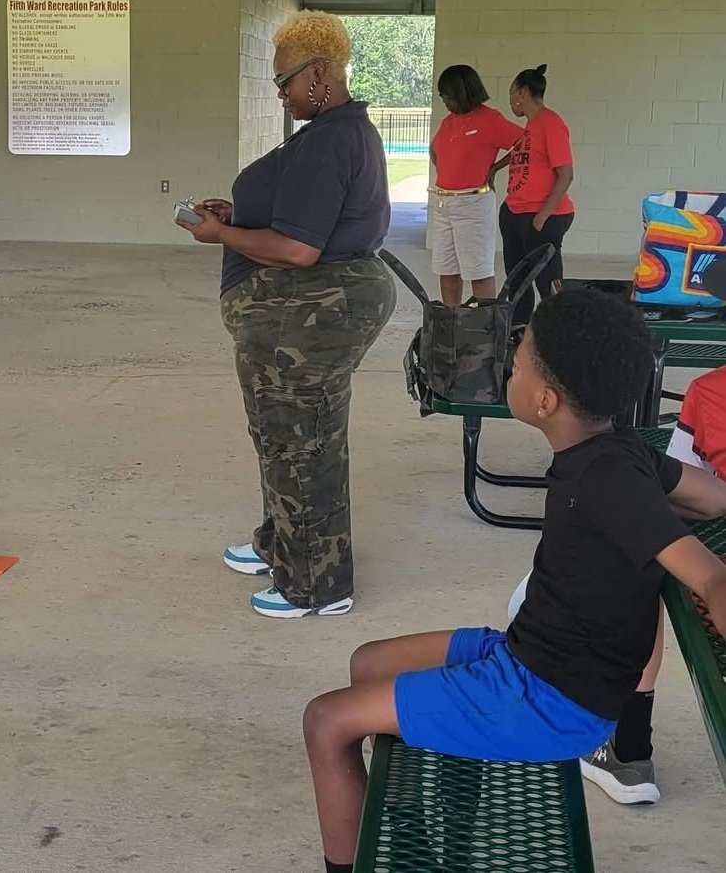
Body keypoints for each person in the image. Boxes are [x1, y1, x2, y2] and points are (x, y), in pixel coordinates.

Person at [302, 289, 726, 873]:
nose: (510, 368)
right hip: (532, 655)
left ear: (545, 400)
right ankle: (420, 845)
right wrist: (653, 521)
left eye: (519, 361)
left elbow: (709, 577)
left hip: (549, 700)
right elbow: (713, 501)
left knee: (326, 720)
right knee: (370, 662)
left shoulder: (608, 482)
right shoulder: (620, 451)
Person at [175, 10, 396, 619]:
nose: (281, 93)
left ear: (320, 72)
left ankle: (317, 586)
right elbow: (296, 220)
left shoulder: (329, 138)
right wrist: (239, 215)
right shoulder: (335, 131)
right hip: (304, 314)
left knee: (301, 444)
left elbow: (299, 249)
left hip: (310, 316)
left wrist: (220, 235)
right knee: (284, 436)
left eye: (286, 81)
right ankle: (281, 544)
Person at [578, 363, 726, 804]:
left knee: (639, 541)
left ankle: (629, 746)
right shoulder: (709, 391)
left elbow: (676, 494)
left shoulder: (710, 390)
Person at [430, 65, 521, 306]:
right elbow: (436, 149)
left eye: (448, 96)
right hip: (443, 202)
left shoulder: (490, 119)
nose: (445, 101)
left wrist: (495, 167)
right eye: (442, 96)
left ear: (463, 93)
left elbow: (524, 142)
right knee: (446, 267)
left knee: (477, 268)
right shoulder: (449, 121)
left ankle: (482, 327)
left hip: (472, 203)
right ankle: (451, 321)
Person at [493, 64, 575, 325]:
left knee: (547, 282)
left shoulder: (551, 123)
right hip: (515, 211)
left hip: (541, 215)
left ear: (523, 92)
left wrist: (543, 215)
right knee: (517, 282)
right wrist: (495, 167)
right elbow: (521, 151)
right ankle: (519, 334)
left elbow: (566, 174)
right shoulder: (531, 126)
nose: (510, 102)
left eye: (511, 94)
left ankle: (558, 333)